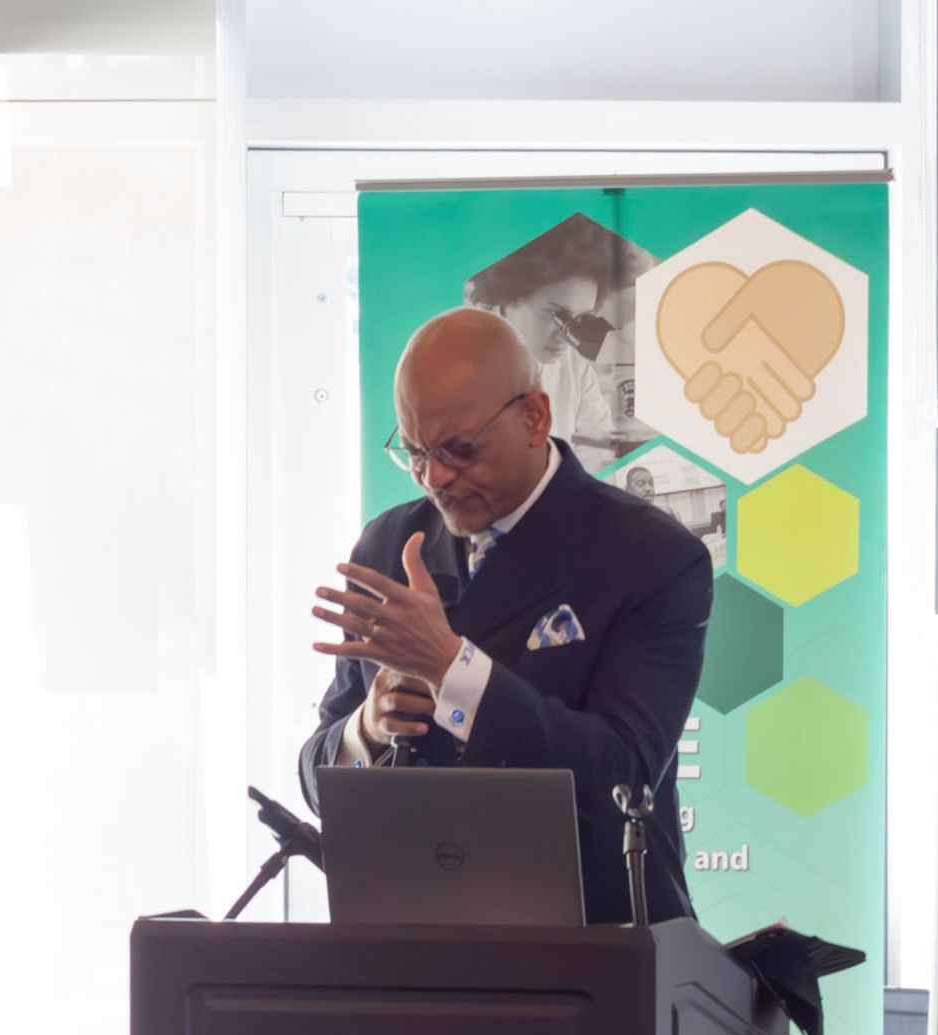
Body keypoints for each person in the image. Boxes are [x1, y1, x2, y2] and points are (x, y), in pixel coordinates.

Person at [298, 307, 712, 925]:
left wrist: (452, 670)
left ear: (535, 418)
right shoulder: (387, 546)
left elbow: (622, 779)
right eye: (414, 452)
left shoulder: (650, 555)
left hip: (596, 945)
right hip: (412, 942)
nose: (435, 477)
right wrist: (368, 729)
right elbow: (317, 771)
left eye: (458, 450)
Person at [465, 220, 625, 472]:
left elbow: (599, 453)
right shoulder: (462, 364)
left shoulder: (575, 366)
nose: (567, 337)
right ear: (506, 299)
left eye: (581, 318)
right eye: (555, 314)